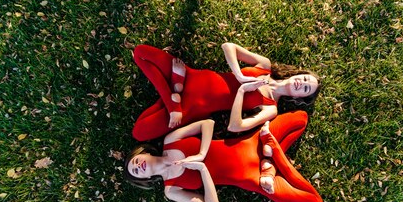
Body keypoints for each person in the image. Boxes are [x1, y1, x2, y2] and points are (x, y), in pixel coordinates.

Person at [125, 112, 323, 202]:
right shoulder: (171, 190)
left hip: (251, 143)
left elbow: (207, 124)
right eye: (136, 172)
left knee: (300, 119)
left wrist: (202, 153)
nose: (137, 166)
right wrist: (202, 169)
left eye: (135, 161)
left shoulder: (170, 140)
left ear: (143, 153)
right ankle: (272, 160)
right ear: (145, 179)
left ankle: (271, 159)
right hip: (254, 178)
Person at [132, 43, 321, 141]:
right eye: (304, 79)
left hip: (191, 108)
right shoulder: (265, 66)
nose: (301, 83)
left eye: (306, 89)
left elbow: (235, 126)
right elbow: (228, 47)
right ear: (298, 74)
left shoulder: (271, 109)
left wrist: (241, 92)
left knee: (139, 133)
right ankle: (175, 92)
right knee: (141, 52)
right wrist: (239, 75)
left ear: (299, 98)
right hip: (191, 76)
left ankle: (174, 91)